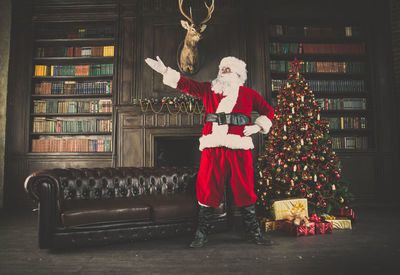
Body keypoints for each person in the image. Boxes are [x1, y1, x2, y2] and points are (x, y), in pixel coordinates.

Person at [145, 56, 275, 248]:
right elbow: (186, 84)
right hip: (213, 146)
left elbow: (268, 112)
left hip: (239, 146)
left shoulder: (249, 94)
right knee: (207, 186)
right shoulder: (209, 90)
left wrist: (257, 128)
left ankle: (253, 231)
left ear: (239, 74)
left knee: (245, 186)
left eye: (228, 69)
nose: (224, 72)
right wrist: (166, 71)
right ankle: (202, 233)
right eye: (222, 68)